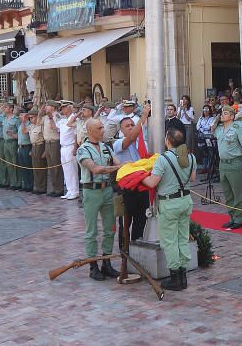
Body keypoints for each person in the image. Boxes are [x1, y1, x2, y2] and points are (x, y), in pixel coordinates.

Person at [142, 128, 197, 291]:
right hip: (185, 201)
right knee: (182, 239)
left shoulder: (163, 159)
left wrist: (140, 176)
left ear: (168, 141)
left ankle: (175, 277)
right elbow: (193, 178)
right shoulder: (191, 156)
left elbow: (152, 183)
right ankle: (183, 276)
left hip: (169, 203)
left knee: (169, 241)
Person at [76, 119, 123, 281]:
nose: (103, 130)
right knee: (91, 231)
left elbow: (118, 162)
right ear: (90, 131)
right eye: (99, 128)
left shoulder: (106, 148)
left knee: (110, 228)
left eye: (102, 127)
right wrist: (118, 167)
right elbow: (95, 169)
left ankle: (106, 262)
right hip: (91, 192)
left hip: (107, 190)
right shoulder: (83, 150)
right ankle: (93, 265)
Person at [114, 113, 151, 242]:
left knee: (141, 220)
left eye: (132, 125)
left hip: (142, 186)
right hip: (127, 189)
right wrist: (143, 118)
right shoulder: (118, 143)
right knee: (125, 222)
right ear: (121, 130)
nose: (130, 127)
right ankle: (124, 252)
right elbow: (129, 139)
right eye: (127, 126)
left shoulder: (142, 143)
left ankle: (137, 247)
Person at [215, 105, 242, 229]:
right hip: (223, 164)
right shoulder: (219, 128)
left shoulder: (237, 129)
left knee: (237, 193)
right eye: (222, 113)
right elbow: (211, 129)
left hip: (234, 163)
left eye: (225, 113)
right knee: (228, 194)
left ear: (232, 116)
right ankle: (231, 217)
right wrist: (216, 118)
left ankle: (239, 219)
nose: (222, 115)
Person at [57, 101, 80, 200]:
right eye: (61, 108)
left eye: (64, 107)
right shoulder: (63, 120)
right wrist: (50, 117)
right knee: (66, 169)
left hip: (70, 146)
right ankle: (69, 190)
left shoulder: (74, 118)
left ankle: (75, 191)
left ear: (70, 107)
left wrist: (75, 148)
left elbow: (76, 134)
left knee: (72, 170)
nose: (62, 109)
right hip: (63, 147)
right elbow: (55, 127)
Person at [43, 102, 64, 197]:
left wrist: (51, 118)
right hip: (47, 143)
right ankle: (54, 188)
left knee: (56, 167)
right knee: (51, 167)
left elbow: (55, 128)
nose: (45, 107)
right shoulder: (46, 116)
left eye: (47, 105)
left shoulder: (57, 116)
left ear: (52, 107)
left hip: (55, 142)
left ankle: (59, 189)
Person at [2, 103, 22, 190]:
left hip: (13, 142)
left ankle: (18, 183)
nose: (4, 109)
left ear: (11, 109)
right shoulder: (4, 119)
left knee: (15, 163)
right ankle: (12, 182)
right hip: (5, 142)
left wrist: (13, 135)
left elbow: (20, 132)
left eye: (6, 107)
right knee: (8, 163)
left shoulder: (16, 119)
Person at [26, 109, 46, 195]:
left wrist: (45, 151)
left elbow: (45, 139)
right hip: (34, 147)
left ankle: (42, 187)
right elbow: (24, 132)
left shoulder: (41, 126)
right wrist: (23, 122)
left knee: (40, 168)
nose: (31, 119)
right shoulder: (31, 126)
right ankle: (37, 186)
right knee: (35, 168)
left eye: (32, 117)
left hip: (40, 146)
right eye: (29, 118)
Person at [17, 109, 34, 193]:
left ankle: (30, 185)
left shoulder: (29, 124)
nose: (20, 117)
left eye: (22, 115)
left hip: (27, 147)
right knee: (23, 167)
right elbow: (19, 136)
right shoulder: (20, 125)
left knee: (28, 167)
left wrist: (31, 149)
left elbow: (27, 135)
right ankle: (26, 184)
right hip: (20, 147)